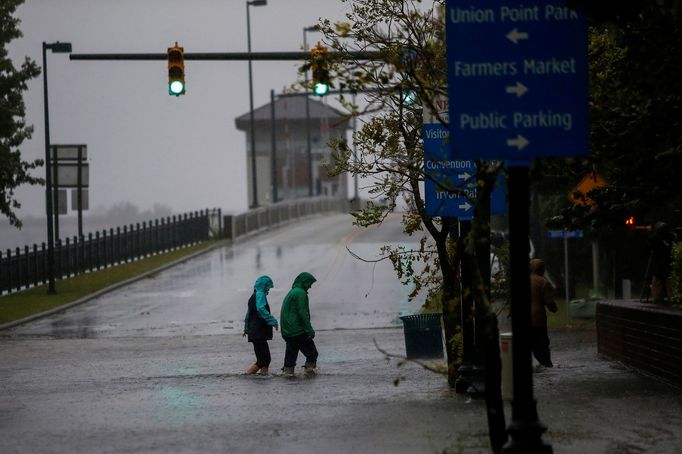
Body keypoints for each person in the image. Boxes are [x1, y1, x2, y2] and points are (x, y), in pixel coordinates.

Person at [280, 272, 318, 378]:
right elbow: (302, 313)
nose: (310, 286)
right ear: (305, 283)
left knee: (290, 357)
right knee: (312, 353)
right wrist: (310, 330)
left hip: (287, 330)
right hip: (297, 330)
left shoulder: (292, 292)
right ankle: (310, 375)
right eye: (310, 283)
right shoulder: (301, 293)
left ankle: (288, 376)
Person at [243, 275, 278, 375]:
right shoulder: (260, 295)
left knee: (264, 360)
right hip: (258, 332)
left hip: (254, 332)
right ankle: (247, 375)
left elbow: (248, 315)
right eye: (268, 287)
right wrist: (273, 321)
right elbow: (261, 309)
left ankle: (264, 377)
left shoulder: (253, 296)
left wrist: (246, 329)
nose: (269, 289)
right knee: (264, 359)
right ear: (263, 285)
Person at [529, 258, 558, 368]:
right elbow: (549, 302)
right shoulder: (543, 282)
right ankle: (547, 365)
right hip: (537, 320)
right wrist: (554, 308)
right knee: (541, 344)